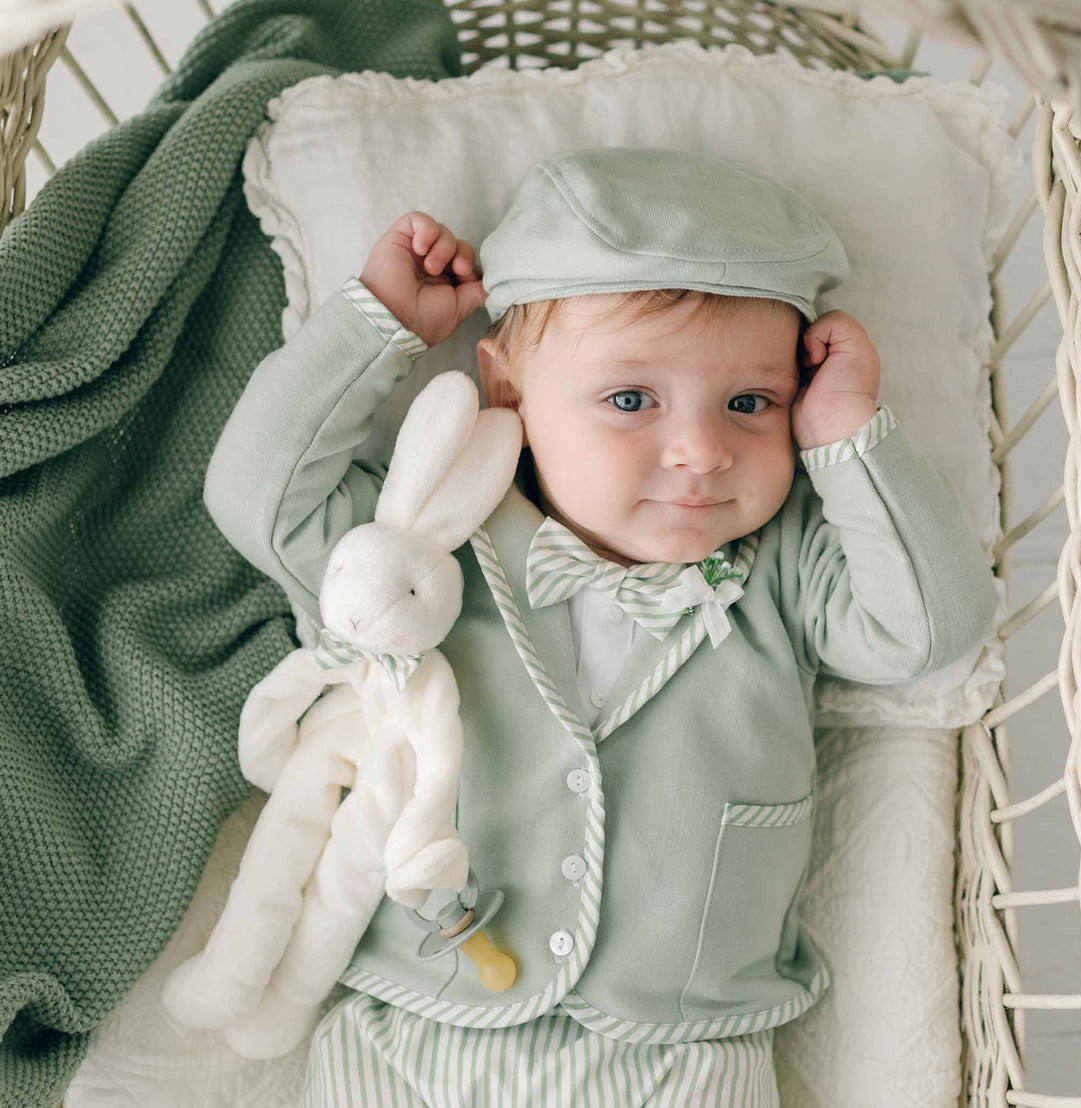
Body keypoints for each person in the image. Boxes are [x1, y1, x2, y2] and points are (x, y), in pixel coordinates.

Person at [203, 146, 999, 1106]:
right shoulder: (428, 537)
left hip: (685, 1047)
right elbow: (258, 496)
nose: (703, 451)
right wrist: (376, 328)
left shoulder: (783, 567)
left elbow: (932, 626)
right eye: (631, 401)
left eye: (753, 404)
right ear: (508, 392)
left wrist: (848, 436)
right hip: (417, 1024)